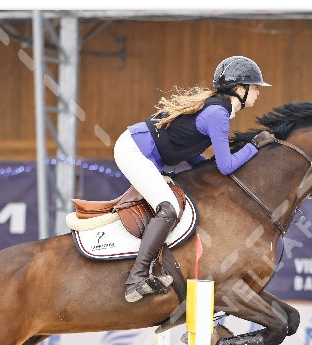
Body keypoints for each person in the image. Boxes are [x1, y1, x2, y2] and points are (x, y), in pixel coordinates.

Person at [114, 55, 276, 303]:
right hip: (134, 150)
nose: (258, 92)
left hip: (156, 152)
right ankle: (136, 279)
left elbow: (198, 157)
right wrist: (255, 145)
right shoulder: (217, 114)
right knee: (167, 208)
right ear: (239, 89)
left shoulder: (219, 110)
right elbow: (226, 166)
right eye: (255, 87)